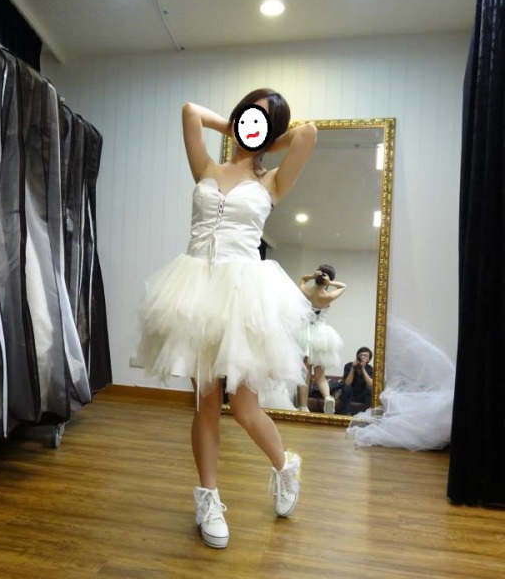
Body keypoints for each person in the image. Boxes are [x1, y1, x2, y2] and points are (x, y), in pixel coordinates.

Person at [137, 88, 317, 548]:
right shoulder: (206, 168)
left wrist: (264, 139)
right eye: (247, 116)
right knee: (205, 403)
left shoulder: (272, 182)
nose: (251, 126)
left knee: (244, 408)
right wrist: (235, 125)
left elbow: (308, 134)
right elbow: (189, 111)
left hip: (244, 296)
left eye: (263, 123)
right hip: (195, 291)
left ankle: (285, 467)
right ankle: (209, 499)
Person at [297, 266, 345, 414]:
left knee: (304, 374)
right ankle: (328, 398)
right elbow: (343, 286)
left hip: (305, 334)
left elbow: (303, 279)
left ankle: (303, 407)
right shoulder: (328, 296)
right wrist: (330, 283)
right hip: (321, 336)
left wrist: (312, 276)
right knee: (320, 375)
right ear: (328, 280)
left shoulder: (306, 291)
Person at [339, 346, 374, 415]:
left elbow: (370, 384)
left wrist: (363, 369)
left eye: (365, 356)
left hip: (362, 395)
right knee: (347, 388)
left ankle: (367, 415)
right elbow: (347, 383)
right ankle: (346, 414)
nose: (363, 357)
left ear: (368, 360)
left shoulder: (370, 369)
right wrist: (353, 368)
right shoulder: (349, 366)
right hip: (350, 394)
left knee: (370, 389)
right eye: (361, 355)